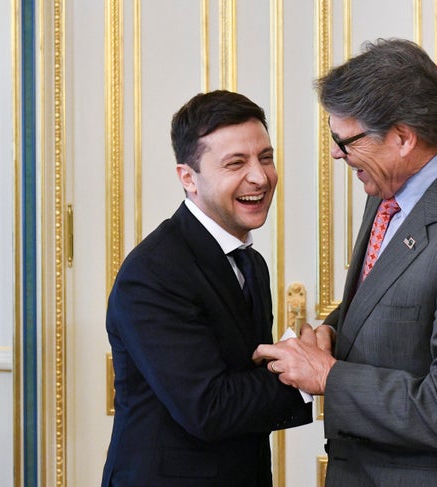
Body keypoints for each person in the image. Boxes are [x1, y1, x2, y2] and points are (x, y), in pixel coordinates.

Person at [254, 38, 437, 486]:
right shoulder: (392, 186)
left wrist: (330, 375)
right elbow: (389, 298)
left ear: (403, 138)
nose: (335, 154)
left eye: (345, 141)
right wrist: (332, 332)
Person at [102, 90, 312, 487]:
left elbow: (242, 372)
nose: (260, 176)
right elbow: (209, 407)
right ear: (188, 178)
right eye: (236, 163)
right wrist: (304, 371)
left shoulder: (251, 261)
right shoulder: (152, 272)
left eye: (265, 157)